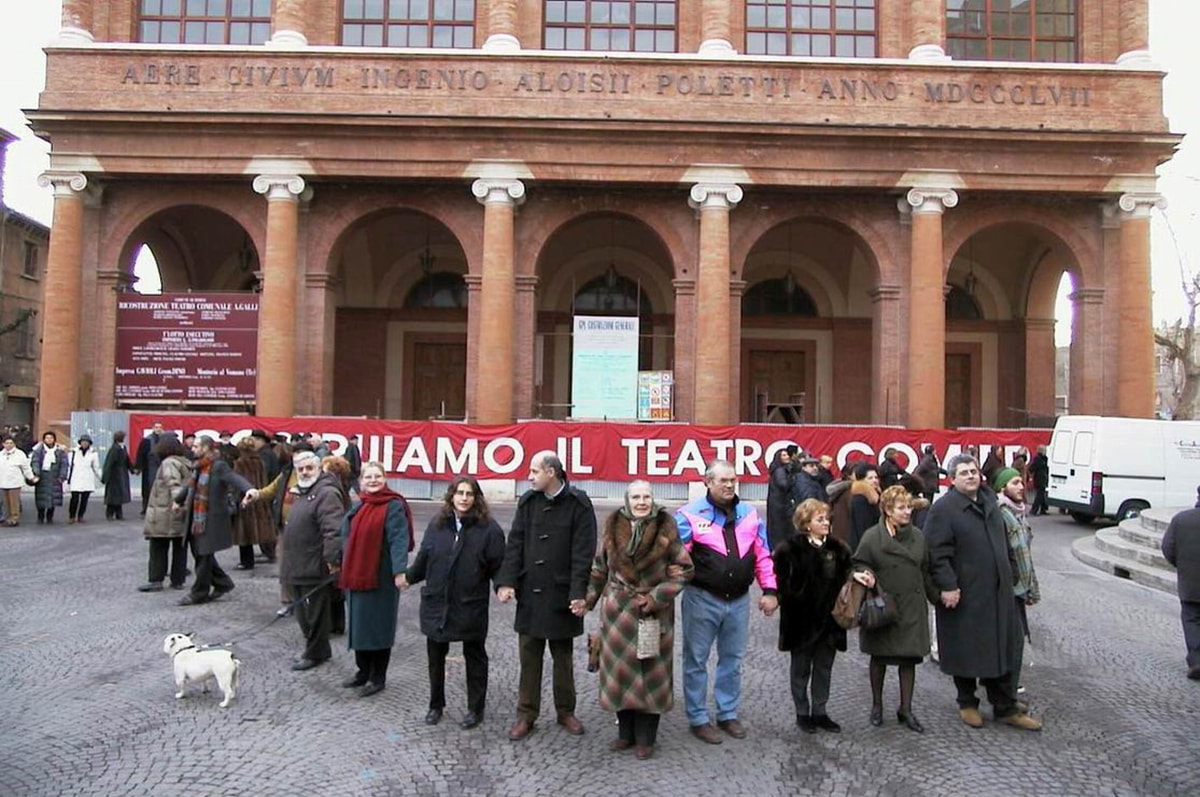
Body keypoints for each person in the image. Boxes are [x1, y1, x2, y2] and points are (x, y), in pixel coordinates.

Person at [926, 454, 1042, 731]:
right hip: (965, 594)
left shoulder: (991, 502)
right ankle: (967, 702)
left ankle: (1005, 705)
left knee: (1003, 648)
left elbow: (1005, 544)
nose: (971, 476)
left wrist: (1014, 577)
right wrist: (948, 586)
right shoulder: (943, 509)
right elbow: (935, 554)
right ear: (952, 479)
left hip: (999, 593)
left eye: (974, 471)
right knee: (966, 649)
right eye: (964, 472)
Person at [585, 480, 694, 759]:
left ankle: (646, 739)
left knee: (651, 674)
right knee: (620, 673)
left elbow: (684, 569)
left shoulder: (666, 526)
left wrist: (658, 596)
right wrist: (587, 600)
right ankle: (625, 734)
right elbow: (599, 568)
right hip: (617, 613)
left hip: (652, 613)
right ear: (627, 499)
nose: (642, 502)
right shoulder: (612, 524)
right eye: (636, 497)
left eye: (646, 496)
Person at [496, 451, 597, 741]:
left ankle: (566, 711)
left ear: (551, 472)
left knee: (562, 656)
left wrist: (579, 593)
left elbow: (583, 552)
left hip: (561, 593)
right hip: (531, 592)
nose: (529, 476)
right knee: (529, 655)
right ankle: (526, 713)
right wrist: (507, 581)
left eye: (535, 471)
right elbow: (515, 543)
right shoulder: (528, 502)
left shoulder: (579, 504)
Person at [676, 460, 778, 744]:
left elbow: (763, 555)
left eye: (733, 480)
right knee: (696, 659)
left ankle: (727, 713)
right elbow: (676, 560)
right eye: (722, 480)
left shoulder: (751, 515)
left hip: (739, 600)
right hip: (701, 598)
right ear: (708, 482)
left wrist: (770, 591)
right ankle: (697, 717)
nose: (729, 485)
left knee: (732, 660)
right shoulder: (687, 515)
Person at [402, 475, 505, 726]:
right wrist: (408, 578)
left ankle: (475, 709)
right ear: (451, 496)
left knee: (475, 655)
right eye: (459, 493)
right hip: (437, 602)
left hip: (470, 603)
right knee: (435, 656)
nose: (464, 498)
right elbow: (425, 558)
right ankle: (435, 704)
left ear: (476, 498)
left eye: (469, 494)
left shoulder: (489, 529)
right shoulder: (438, 525)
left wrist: (503, 586)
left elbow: (499, 565)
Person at [852, 485, 940, 733]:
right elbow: (857, 564)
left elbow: (926, 572)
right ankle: (877, 705)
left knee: (909, 659)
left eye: (909, 507)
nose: (907, 512)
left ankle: (906, 708)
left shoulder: (919, 537)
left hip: (911, 607)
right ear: (888, 510)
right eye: (901, 508)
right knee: (879, 657)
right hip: (883, 606)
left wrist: (938, 598)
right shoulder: (872, 538)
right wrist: (865, 575)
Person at [247, 450, 345, 669]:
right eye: (300, 469)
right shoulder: (303, 490)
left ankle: (316, 653)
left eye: (309, 468)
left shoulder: (326, 493)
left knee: (314, 613)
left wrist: (332, 560)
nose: (304, 472)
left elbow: (333, 530)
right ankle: (317, 650)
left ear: (319, 469)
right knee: (304, 612)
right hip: (297, 562)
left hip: (314, 563)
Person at [773, 498, 858, 734]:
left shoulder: (839, 549)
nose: (826, 523)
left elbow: (848, 574)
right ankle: (802, 712)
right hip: (800, 621)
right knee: (800, 669)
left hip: (830, 620)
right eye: (820, 519)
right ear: (806, 523)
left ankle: (820, 711)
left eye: (826, 518)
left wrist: (858, 577)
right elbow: (782, 584)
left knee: (824, 667)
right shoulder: (789, 549)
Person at [335, 462, 411, 697]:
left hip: (380, 578)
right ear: (361, 481)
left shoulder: (393, 505)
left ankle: (378, 677)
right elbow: (346, 537)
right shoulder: (361, 505)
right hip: (356, 576)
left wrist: (400, 571)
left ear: (385, 479)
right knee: (359, 627)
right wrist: (338, 561)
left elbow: (399, 539)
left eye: (377, 476)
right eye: (368, 477)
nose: (373, 480)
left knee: (378, 628)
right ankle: (362, 671)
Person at [174, 436, 253, 607]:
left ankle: (199, 593)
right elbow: (190, 486)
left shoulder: (218, 466)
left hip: (210, 519)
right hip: (196, 518)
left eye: (196, 446)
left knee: (203, 555)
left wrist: (250, 490)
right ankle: (223, 583)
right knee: (201, 554)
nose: (192, 449)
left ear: (206, 448)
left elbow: (234, 478)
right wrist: (179, 500)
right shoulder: (199, 465)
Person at [993, 467, 1041, 696]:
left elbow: (1026, 554)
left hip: (1021, 586)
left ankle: (1008, 688)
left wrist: (1030, 587)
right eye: (1014, 483)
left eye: (1021, 483)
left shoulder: (1019, 512)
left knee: (1017, 639)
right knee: (1012, 640)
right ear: (1002, 488)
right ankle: (1006, 691)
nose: (1021, 487)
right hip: (1008, 587)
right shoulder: (1001, 512)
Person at [138, 434, 192, 592]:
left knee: (158, 546)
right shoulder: (185, 462)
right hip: (175, 512)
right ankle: (178, 580)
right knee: (179, 546)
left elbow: (173, 484)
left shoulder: (168, 463)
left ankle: (156, 579)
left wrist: (178, 501)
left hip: (165, 511)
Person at [1161, 488, 1200, 680]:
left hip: (1190, 582)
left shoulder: (1181, 520)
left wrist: (1182, 566)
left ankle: (1197, 660)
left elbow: (1167, 548)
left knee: (1191, 620)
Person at [231, 439, 276, 571]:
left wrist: (234, 498)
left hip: (245, 498)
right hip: (259, 497)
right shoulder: (260, 462)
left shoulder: (240, 463)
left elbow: (236, 483)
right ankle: (269, 553)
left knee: (244, 531)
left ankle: (246, 561)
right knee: (261, 527)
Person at [842, 461, 881, 553]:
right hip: (864, 548)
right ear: (862, 480)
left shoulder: (875, 496)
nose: (874, 480)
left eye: (876, 477)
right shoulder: (860, 499)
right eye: (870, 478)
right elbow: (862, 528)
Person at [30, 431, 67, 524]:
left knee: (53, 498)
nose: (49, 440)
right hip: (42, 476)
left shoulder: (59, 451)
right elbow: (35, 462)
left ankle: (50, 516)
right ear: (44, 440)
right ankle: (40, 516)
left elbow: (64, 464)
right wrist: (36, 473)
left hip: (54, 476)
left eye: (51, 438)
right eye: (47, 438)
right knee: (41, 498)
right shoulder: (38, 450)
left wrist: (62, 476)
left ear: (54, 439)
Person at [765, 447, 797, 552]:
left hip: (778, 504)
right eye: (784, 455)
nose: (787, 457)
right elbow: (784, 484)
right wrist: (793, 479)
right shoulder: (780, 470)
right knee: (780, 529)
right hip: (780, 505)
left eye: (787, 455)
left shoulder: (782, 469)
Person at [66, 435, 102, 524]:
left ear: (89, 443)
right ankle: (72, 516)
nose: (85, 443)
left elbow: (96, 467)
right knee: (74, 498)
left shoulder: (93, 453)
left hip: (87, 477)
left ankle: (81, 516)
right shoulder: (73, 452)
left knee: (84, 499)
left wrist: (102, 477)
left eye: (87, 442)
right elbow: (69, 466)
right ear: (80, 442)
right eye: (83, 441)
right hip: (76, 477)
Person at [0, 435, 36, 525]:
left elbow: (26, 468)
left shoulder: (20, 454)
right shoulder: (1, 454)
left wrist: (31, 477)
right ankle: (7, 518)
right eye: (6, 443)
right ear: (3, 444)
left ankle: (14, 518)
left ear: (14, 444)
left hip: (15, 482)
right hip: (2, 482)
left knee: (14, 502)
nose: (9, 445)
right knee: (5, 502)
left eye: (11, 443)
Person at [133, 421, 165, 516]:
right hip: (148, 468)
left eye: (160, 427)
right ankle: (145, 508)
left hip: (161, 467)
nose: (158, 429)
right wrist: (138, 467)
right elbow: (140, 454)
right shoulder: (146, 440)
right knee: (147, 489)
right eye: (156, 427)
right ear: (153, 428)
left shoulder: (164, 440)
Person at [101, 430, 133, 521]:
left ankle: (119, 514)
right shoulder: (114, 449)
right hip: (114, 475)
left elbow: (127, 460)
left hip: (121, 474)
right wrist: (105, 477)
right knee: (113, 496)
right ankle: (110, 514)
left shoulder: (122, 448)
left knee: (119, 495)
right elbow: (109, 464)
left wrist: (132, 469)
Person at [1029, 445, 1050, 516]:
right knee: (1039, 495)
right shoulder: (1038, 459)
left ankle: (1043, 509)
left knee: (1042, 494)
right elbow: (1032, 468)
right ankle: (1034, 510)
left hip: (1043, 478)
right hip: (1039, 479)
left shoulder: (1044, 459)